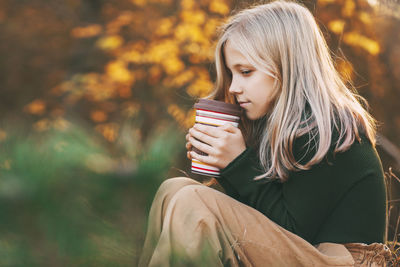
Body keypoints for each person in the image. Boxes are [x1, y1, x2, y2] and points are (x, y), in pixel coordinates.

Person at [139, 1, 391, 266]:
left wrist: (237, 163)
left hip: (341, 260)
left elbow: (293, 230)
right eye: (230, 73)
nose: (234, 87)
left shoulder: (330, 129)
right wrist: (222, 161)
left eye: (245, 72)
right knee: (174, 189)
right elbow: (264, 220)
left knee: (192, 201)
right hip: (303, 252)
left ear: (287, 66)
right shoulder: (276, 126)